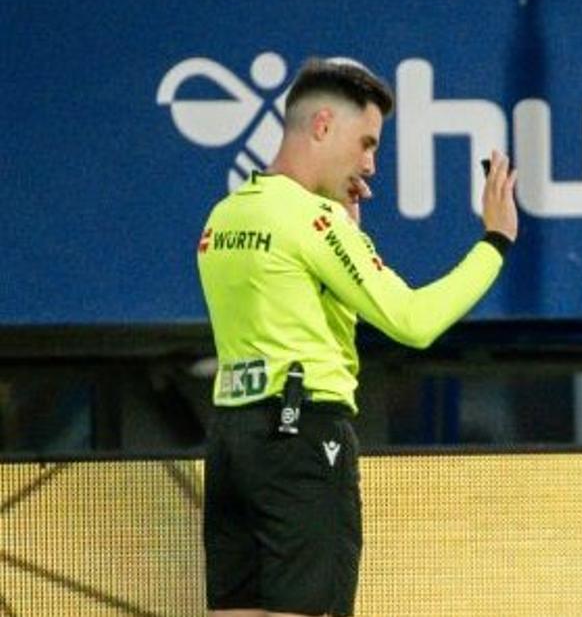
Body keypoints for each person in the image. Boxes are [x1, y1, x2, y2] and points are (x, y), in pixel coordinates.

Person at [197, 58, 517, 617]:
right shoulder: (313, 222)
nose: (370, 164)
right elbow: (413, 321)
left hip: (231, 441)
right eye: (366, 143)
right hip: (301, 438)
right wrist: (495, 242)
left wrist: (351, 236)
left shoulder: (224, 217)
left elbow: (294, 313)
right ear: (323, 125)